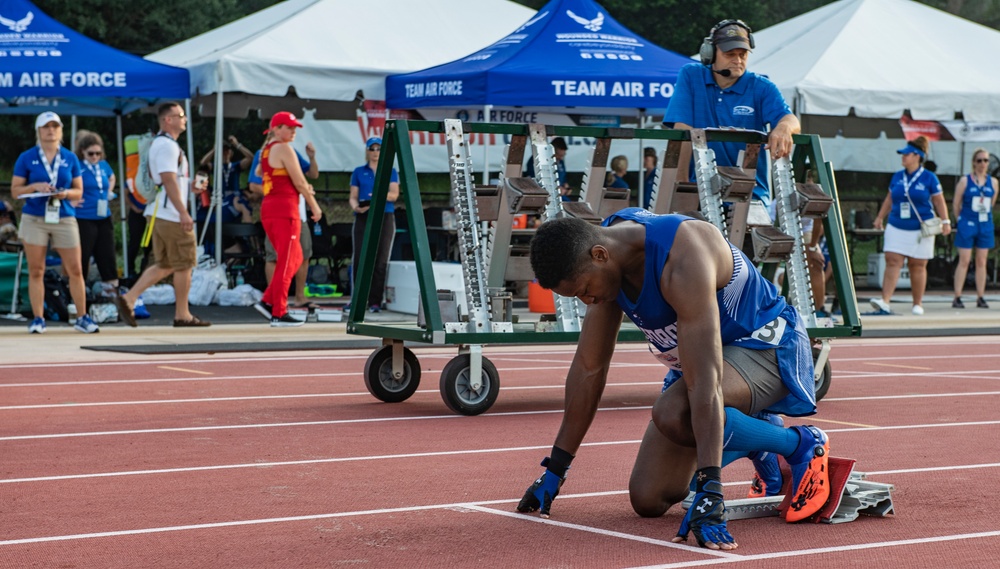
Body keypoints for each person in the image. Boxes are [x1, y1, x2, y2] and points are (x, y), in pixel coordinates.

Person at [518, 209, 831, 550]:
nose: (587, 301)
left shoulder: (682, 257)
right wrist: (556, 468)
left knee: (674, 412)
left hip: (765, 346)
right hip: (706, 362)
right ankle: (756, 434)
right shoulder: (604, 261)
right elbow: (589, 368)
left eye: (584, 291)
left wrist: (711, 490)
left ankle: (801, 445)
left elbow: (705, 380)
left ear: (600, 255)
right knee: (648, 499)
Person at [663, 19, 800, 209]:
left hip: (751, 194)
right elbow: (683, 129)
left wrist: (784, 128)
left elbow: (791, 119)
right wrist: (682, 189)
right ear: (709, 54)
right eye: (730, 54)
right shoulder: (691, 76)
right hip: (700, 192)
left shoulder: (762, 87)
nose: (738, 60)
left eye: (743, 54)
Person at [114, 102, 211, 328]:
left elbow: (169, 179)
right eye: (180, 115)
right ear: (168, 120)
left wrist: (189, 185)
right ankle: (182, 314)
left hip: (159, 211)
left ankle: (129, 298)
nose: (184, 119)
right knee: (184, 263)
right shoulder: (168, 146)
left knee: (165, 264)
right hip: (170, 214)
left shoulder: (161, 144)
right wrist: (183, 212)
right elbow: (167, 180)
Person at [10, 111, 99, 334]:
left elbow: (79, 191)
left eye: (55, 126)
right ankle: (39, 318)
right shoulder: (26, 156)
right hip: (35, 217)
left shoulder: (69, 157)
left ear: (60, 130)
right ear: (38, 131)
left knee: (76, 269)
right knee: (36, 269)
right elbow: (15, 191)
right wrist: (34, 187)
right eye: (46, 126)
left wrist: (65, 193)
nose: (51, 130)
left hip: (64, 216)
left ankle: (82, 316)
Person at [252, 111, 322, 327]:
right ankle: (279, 312)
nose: (293, 132)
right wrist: (315, 207)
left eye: (294, 128)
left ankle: (268, 301)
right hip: (285, 210)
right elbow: (301, 182)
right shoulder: (283, 148)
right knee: (287, 259)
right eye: (288, 127)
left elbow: (260, 172)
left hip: (271, 209)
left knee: (295, 257)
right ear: (275, 128)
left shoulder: (266, 150)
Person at [870, 136, 951, 315]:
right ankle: (885, 301)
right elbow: (890, 198)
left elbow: (939, 201)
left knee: (918, 265)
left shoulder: (930, 178)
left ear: (917, 156)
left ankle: (917, 303)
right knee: (892, 260)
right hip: (897, 224)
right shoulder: (898, 176)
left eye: (906, 155)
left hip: (921, 228)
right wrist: (879, 217)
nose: (903, 157)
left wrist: (945, 221)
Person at [349, 137, 399, 313]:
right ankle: (358, 299)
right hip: (364, 215)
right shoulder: (358, 171)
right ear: (367, 151)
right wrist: (356, 206)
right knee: (360, 257)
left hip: (384, 214)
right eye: (372, 148)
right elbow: (353, 195)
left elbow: (394, 194)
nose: (375, 152)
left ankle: (375, 301)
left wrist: (376, 195)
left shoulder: (390, 171)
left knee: (381, 258)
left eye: (378, 148)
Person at [74, 132, 119, 296]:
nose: (95, 157)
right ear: (83, 151)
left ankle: (111, 287)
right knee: (83, 253)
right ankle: (80, 288)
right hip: (84, 216)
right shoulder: (78, 165)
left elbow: (112, 177)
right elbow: (64, 183)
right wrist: (71, 199)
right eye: (91, 153)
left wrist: (109, 190)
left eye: (98, 153)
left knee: (107, 252)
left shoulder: (103, 165)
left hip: (103, 215)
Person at [951, 148, 997, 309]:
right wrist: (960, 219)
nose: (983, 164)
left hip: (984, 222)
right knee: (964, 260)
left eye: (985, 160)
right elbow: (956, 203)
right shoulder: (965, 181)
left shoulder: (993, 182)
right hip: (968, 221)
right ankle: (957, 295)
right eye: (979, 160)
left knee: (981, 260)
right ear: (974, 162)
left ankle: (980, 295)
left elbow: (991, 202)